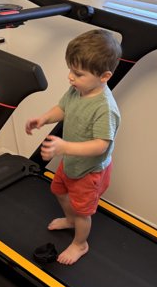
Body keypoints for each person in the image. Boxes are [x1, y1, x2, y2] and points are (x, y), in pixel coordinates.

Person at [25, 29, 121, 265]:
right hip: (71, 163)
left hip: (90, 172)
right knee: (58, 191)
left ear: (104, 76)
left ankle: (80, 243)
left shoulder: (105, 108)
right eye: (71, 70)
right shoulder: (77, 90)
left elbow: (100, 146)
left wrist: (64, 147)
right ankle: (69, 219)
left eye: (77, 73)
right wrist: (44, 119)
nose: (70, 77)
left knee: (83, 212)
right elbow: (63, 108)